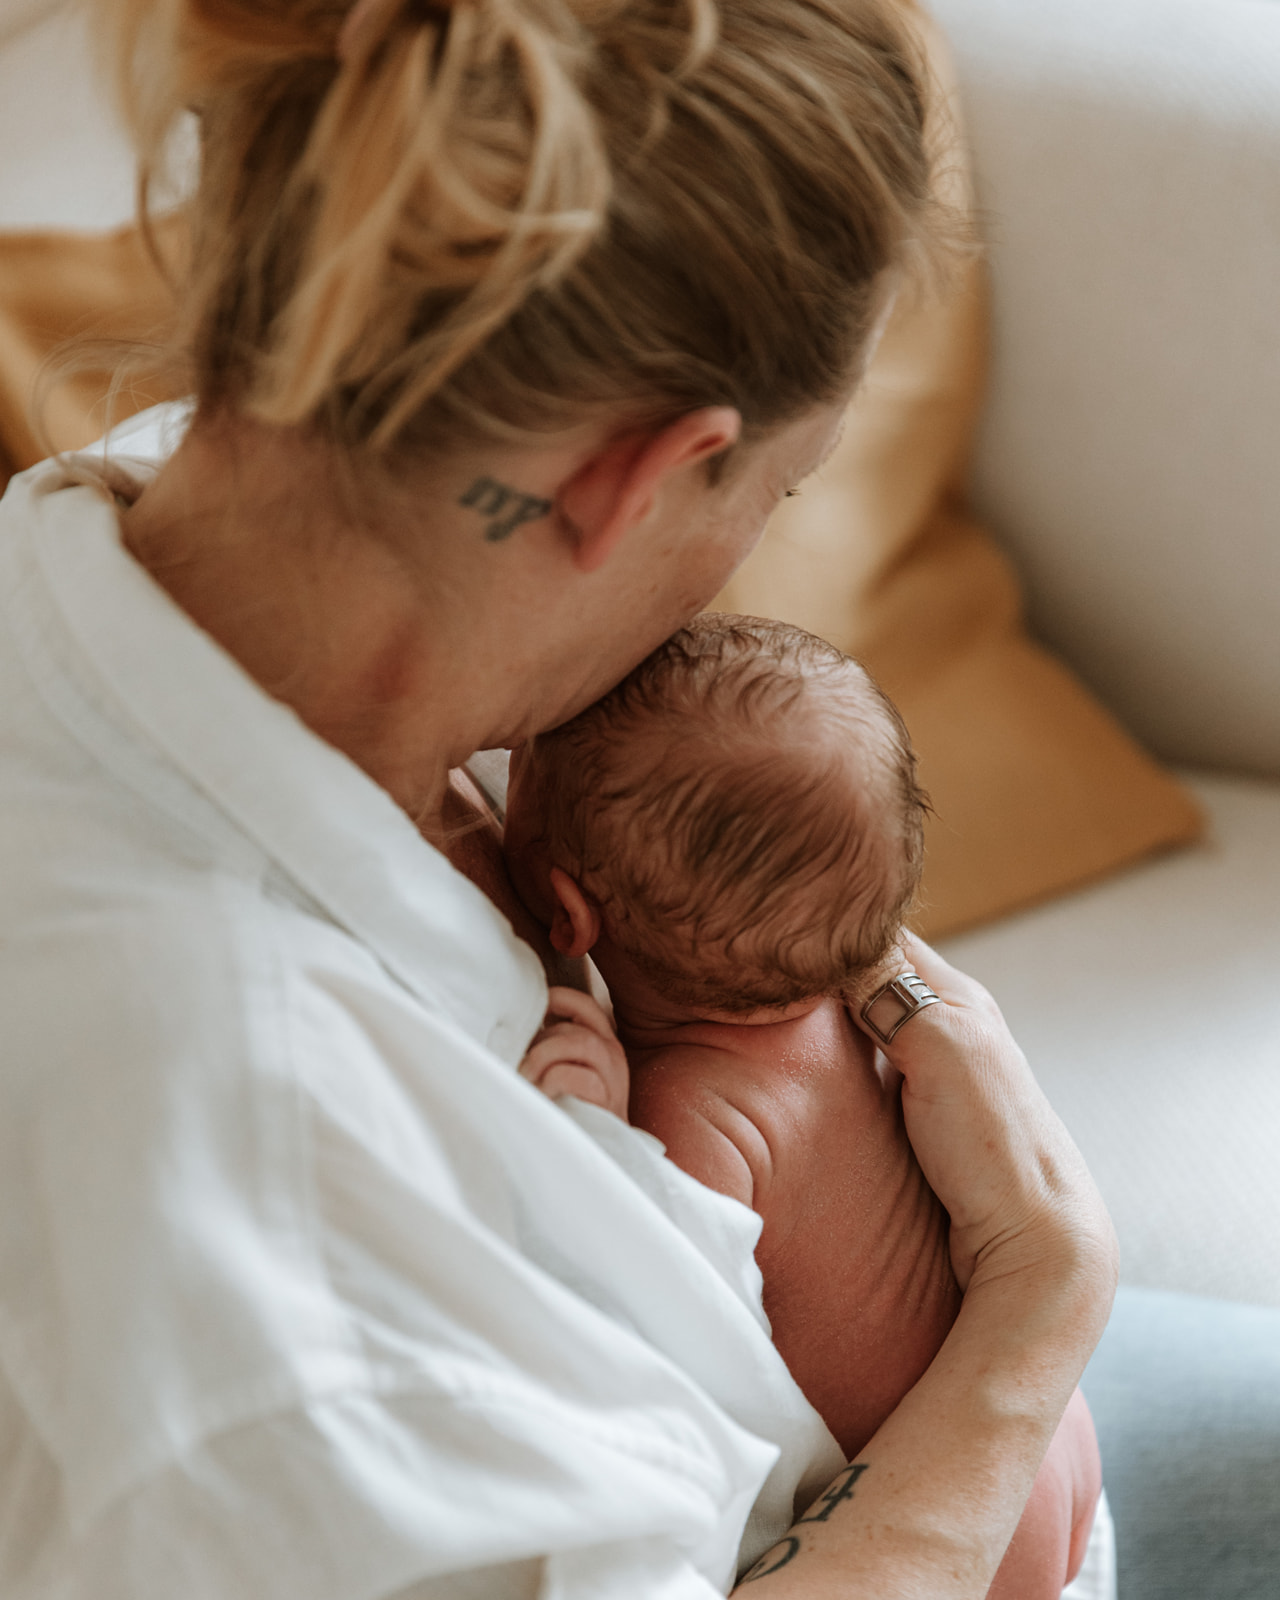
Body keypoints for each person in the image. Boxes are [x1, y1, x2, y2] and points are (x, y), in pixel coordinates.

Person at [0, 0, 1117, 1595]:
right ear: (633, 479)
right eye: (777, 492)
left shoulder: (203, 524)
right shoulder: (275, 1237)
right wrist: (1040, 1305)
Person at [504, 612, 1105, 1599]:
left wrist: (598, 1135)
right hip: (1049, 1433)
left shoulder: (694, 1110)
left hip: (943, 1509)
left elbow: (658, 1304)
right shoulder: (866, 1012)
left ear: (567, 913)